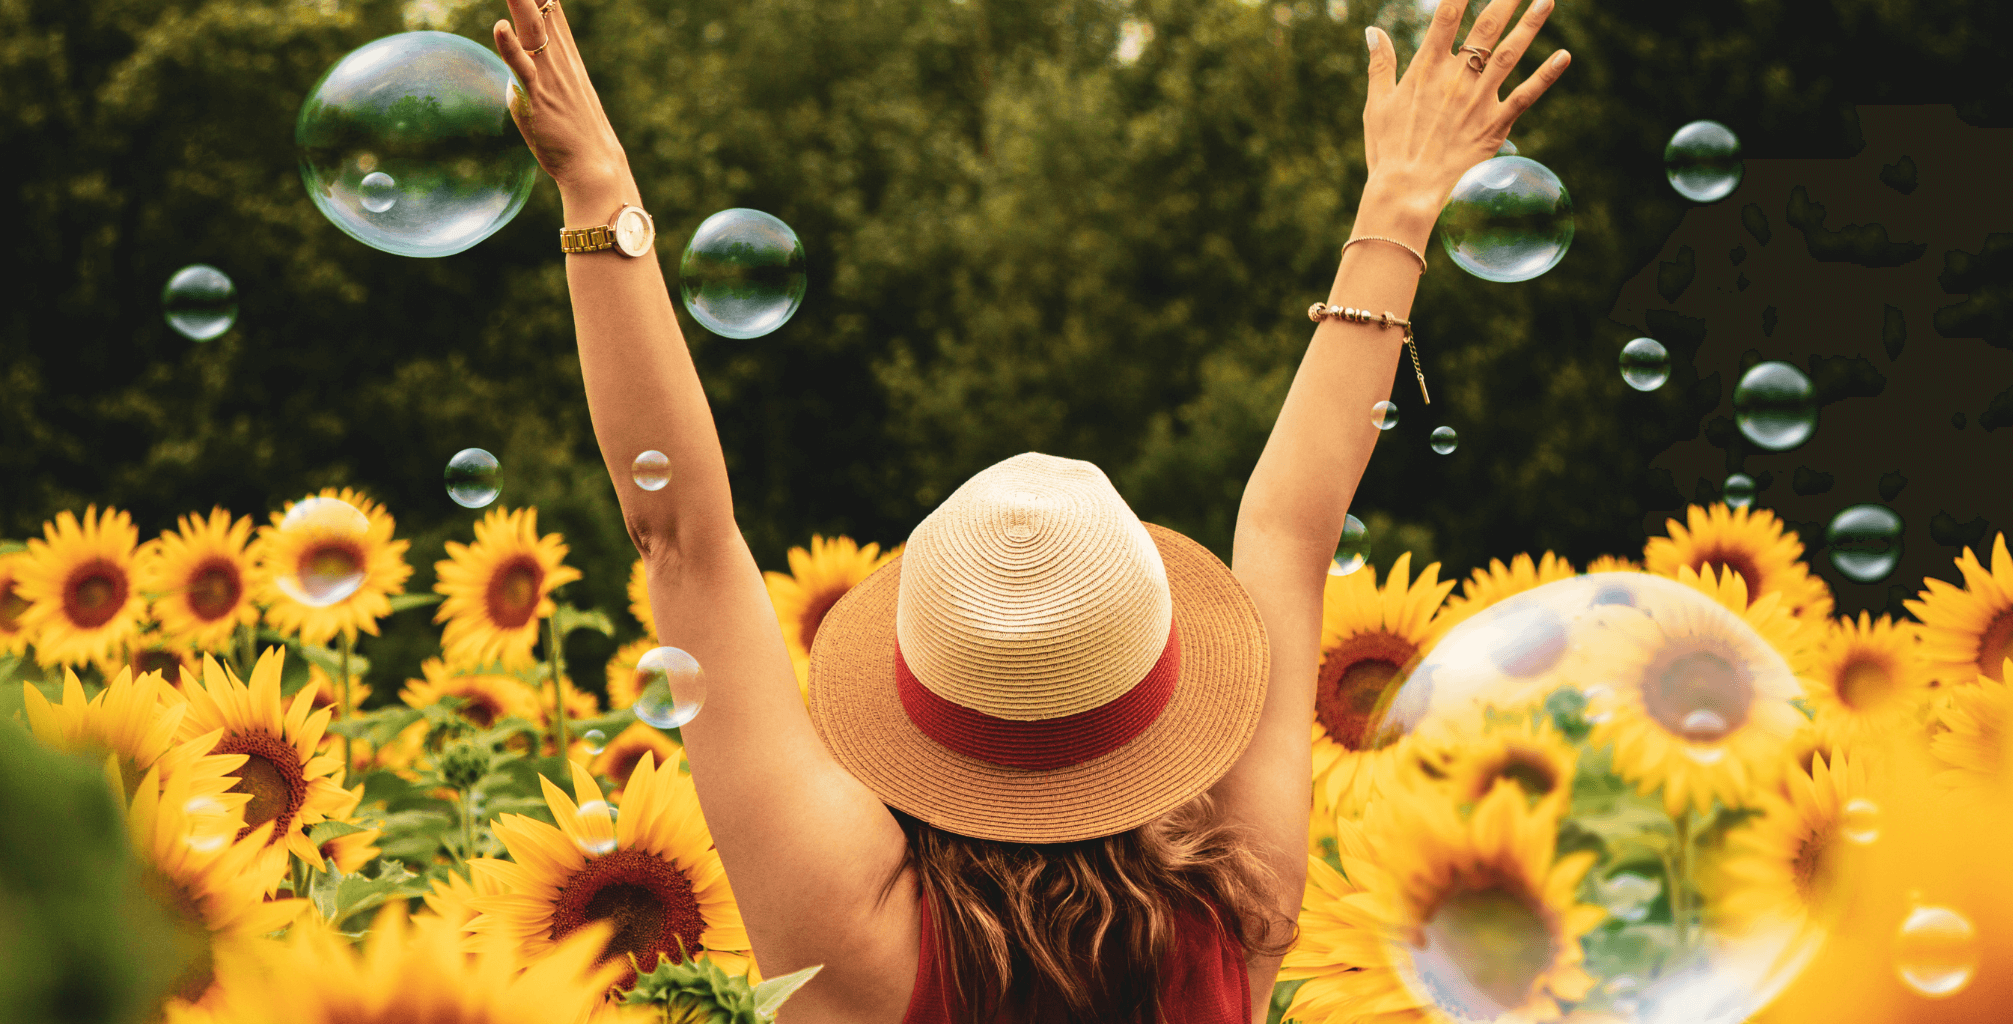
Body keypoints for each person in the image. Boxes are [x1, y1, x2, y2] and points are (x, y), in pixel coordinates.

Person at [488, 0, 1569, 1019]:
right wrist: (1399, 203)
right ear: (1156, 687)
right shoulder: (1234, 908)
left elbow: (680, 535)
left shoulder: (856, 936)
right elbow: (1290, 530)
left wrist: (599, 191)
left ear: (923, 688)